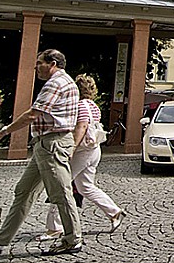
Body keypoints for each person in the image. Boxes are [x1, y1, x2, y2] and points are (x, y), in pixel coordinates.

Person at [0, 49, 83, 256]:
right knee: (24, 191)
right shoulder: (64, 82)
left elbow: (32, 115)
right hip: (45, 144)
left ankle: (73, 240)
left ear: (52, 63)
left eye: (40, 63)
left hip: (52, 143)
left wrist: (1, 133)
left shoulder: (56, 83)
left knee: (61, 192)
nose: (36, 67)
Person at [41, 74, 123, 241]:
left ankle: (54, 228)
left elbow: (82, 126)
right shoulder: (93, 105)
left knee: (61, 185)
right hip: (94, 150)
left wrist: (72, 148)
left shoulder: (79, 106)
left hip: (82, 151)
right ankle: (114, 212)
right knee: (85, 186)